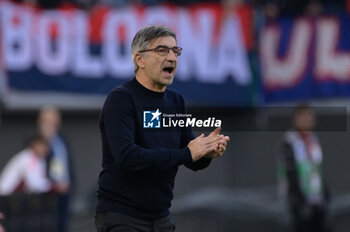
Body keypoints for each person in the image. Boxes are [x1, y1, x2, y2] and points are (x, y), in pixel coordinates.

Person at [95, 25, 230, 232]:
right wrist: (187, 153)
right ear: (140, 59)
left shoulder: (176, 101)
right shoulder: (121, 99)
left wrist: (206, 152)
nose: (172, 57)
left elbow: (190, 158)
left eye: (175, 51)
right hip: (122, 216)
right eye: (162, 50)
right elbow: (127, 157)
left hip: (161, 218)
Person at [278, 104, 331, 232]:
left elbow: (317, 167)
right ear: (295, 119)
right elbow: (290, 171)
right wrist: (298, 198)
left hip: (316, 199)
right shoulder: (289, 141)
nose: (306, 120)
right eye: (303, 116)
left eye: (309, 116)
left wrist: (325, 192)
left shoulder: (314, 139)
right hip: (298, 202)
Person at [37, 106, 74, 232]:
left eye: (55, 121)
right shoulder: (38, 141)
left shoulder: (62, 139)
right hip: (47, 192)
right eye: (49, 121)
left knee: (62, 223)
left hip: (64, 190)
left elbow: (68, 163)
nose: (52, 124)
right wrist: (46, 139)